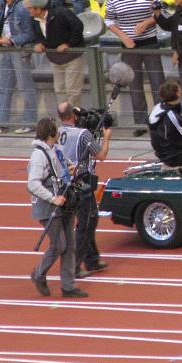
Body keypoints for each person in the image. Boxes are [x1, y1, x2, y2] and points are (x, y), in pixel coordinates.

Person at [27, 117, 87, 298]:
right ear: (51, 133)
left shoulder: (57, 149)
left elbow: (66, 167)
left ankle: (68, 285)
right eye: (56, 128)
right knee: (58, 244)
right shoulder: (39, 155)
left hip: (65, 201)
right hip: (48, 205)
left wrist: (72, 170)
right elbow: (32, 184)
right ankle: (38, 273)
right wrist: (53, 199)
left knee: (69, 243)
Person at [105, 0, 165, 135]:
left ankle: (160, 120)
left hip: (150, 42)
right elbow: (109, 21)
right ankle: (140, 123)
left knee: (157, 82)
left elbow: (160, 13)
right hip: (128, 45)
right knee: (134, 84)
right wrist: (124, 37)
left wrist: (147, 22)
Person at [56, 101, 111, 278]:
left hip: (64, 181)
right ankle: (76, 266)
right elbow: (101, 155)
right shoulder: (83, 134)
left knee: (90, 219)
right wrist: (107, 137)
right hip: (82, 181)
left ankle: (92, 258)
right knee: (86, 223)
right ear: (73, 115)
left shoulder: (56, 131)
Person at [0, 0, 38, 134]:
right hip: (5, 50)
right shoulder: (2, 4)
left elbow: (30, 33)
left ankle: (30, 122)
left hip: (18, 50)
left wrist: (12, 41)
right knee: (3, 87)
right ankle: (0, 123)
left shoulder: (22, 8)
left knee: (25, 87)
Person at [28, 0, 85, 108]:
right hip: (56, 59)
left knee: (72, 91)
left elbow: (78, 26)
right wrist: (39, 43)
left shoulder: (61, 13)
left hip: (72, 57)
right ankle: (64, 118)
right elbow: (39, 36)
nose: (28, 10)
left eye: (30, 8)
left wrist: (68, 44)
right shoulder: (34, 20)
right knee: (59, 90)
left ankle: (74, 119)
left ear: (38, 9)